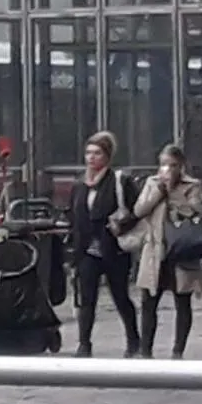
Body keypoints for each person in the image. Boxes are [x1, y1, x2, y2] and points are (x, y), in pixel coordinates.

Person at [68, 130, 141, 358]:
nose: (91, 158)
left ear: (107, 156)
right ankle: (84, 344)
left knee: (120, 295)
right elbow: (74, 216)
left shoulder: (119, 181)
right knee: (86, 298)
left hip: (113, 247)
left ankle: (133, 339)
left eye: (97, 153)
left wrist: (121, 225)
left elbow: (136, 210)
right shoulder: (80, 185)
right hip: (87, 249)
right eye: (88, 153)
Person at [133, 144, 202, 359]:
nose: (168, 170)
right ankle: (145, 350)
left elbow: (198, 211)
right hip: (156, 249)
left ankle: (178, 350)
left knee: (182, 300)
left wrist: (176, 197)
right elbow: (139, 210)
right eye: (164, 165)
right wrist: (159, 191)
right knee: (149, 301)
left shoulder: (192, 186)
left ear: (181, 166)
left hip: (181, 249)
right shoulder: (152, 183)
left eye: (173, 165)